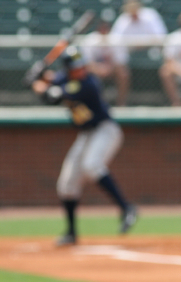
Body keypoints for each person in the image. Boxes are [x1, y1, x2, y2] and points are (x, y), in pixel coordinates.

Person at [32, 46, 138, 246]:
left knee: (92, 166)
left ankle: (126, 208)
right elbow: (51, 79)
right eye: (75, 67)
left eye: (81, 66)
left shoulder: (88, 83)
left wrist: (38, 85)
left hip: (105, 131)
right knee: (66, 185)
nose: (80, 70)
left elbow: (52, 97)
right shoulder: (66, 78)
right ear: (69, 68)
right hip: (86, 134)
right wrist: (38, 74)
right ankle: (71, 233)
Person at [110, 0, 168, 106]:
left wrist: (141, 43)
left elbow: (161, 37)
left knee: (166, 68)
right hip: (129, 54)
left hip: (152, 51)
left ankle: (168, 103)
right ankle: (121, 103)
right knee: (121, 68)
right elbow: (115, 40)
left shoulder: (150, 15)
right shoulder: (123, 19)